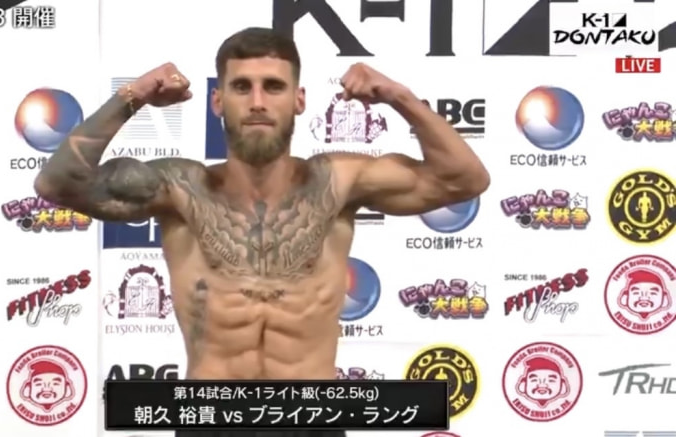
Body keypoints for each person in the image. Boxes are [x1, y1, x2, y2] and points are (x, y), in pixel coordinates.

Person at [34, 26, 489, 437]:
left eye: (273, 86)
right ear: (218, 101)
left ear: (299, 100)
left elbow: (464, 180)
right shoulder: (179, 189)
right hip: (210, 420)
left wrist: (399, 96)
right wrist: (132, 96)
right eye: (241, 87)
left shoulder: (339, 182)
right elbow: (58, 184)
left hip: (313, 420)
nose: (257, 101)